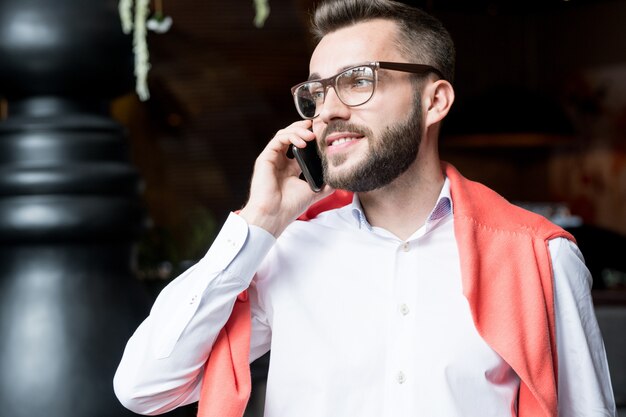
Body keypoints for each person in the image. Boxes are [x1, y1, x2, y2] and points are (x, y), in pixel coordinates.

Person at [114, 1, 617, 416]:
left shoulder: (541, 258)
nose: (327, 110)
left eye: (357, 81)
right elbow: (143, 388)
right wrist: (259, 222)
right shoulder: (284, 250)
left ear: (434, 100)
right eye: (316, 92)